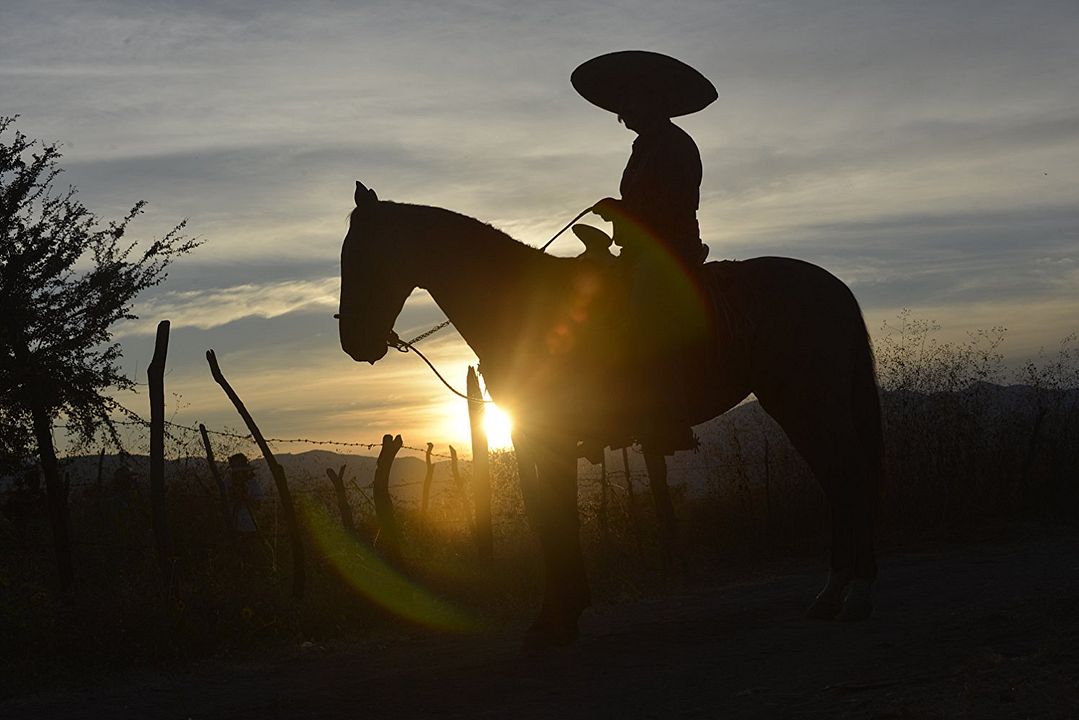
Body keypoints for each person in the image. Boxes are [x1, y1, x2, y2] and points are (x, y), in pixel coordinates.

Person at [572, 51, 717, 453]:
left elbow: (670, 204)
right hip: (642, 250)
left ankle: (671, 419)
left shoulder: (673, 145)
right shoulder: (646, 146)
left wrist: (622, 209)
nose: (622, 112)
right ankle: (607, 408)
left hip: (670, 251)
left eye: (629, 102)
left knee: (645, 309)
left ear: (650, 102)